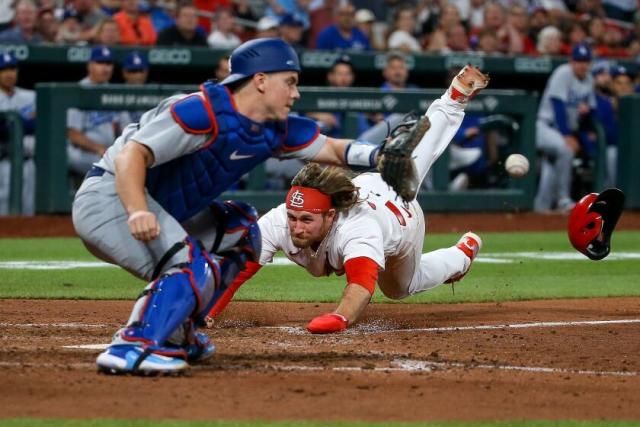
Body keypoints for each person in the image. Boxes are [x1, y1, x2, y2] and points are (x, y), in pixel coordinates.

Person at [73, 38, 412, 375]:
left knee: (242, 231)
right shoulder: (198, 110)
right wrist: (137, 209)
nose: (296, 94)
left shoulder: (272, 129)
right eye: (290, 82)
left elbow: (335, 150)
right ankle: (134, 346)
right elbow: (132, 155)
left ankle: (177, 333)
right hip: (112, 201)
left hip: (162, 208)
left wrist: (377, 156)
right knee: (190, 263)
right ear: (260, 80)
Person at [205, 64, 490, 333]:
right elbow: (236, 271)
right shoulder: (280, 220)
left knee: (399, 288)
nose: (296, 226)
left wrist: (339, 317)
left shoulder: (358, 228)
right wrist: (206, 313)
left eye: (306, 219)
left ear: (330, 216)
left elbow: (361, 285)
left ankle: (461, 256)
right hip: (369, 185)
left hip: (400, 216)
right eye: (293, 217)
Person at [534, 43, 596, 213]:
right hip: (545, 127)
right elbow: (557, 104)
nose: (582, 65)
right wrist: (567, 135)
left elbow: (591, 108)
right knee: (565, 149)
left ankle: (541, 207)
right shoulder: (563, 73)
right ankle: (563, 199)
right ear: (571, 61)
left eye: (585, 61)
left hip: (562, 130)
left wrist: (586, 113)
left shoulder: (589, 79)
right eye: (578, 61)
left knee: (552, 164)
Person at [67, 46, 124, 176]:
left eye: (108, 63)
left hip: (107, 152)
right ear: (90, 66)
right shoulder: (79, 90)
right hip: (83, 152)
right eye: (100, 63)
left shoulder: (113, 91)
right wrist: (98, 148)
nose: (105, 68)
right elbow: (72, 134)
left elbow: (119, 128)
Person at [0, 52, 36, 215]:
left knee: (29, 210)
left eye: (12, 69)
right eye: (4, 69)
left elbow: (40, 123)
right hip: (3, 161)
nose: (9, 74)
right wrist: (24, 121)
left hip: (28, 161)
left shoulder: (31, 96)